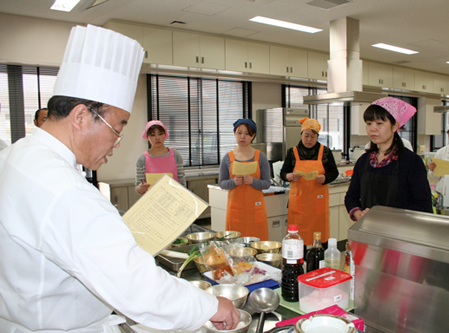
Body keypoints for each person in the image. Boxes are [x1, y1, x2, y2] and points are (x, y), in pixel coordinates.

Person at [0, 24, 239, 332]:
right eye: (117, 128)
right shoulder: (65, 190)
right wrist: (210, 305)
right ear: (81, 117)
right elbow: (135, 285)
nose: (118, 142)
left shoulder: (16, 155)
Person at [345, 97, 432, 222]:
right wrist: (358, 213)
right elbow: (351, 196)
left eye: (379, 123)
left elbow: (423, 206)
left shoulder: (411, 162)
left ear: (395, 125)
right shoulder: (363, 161)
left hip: (400, 235)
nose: (372, 129)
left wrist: (384, 216)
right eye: (369, 123)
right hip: (368, 231)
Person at [280, 118, 339, 246]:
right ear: (301, 134)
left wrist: (325, 178)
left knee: (319, 238)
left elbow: (334, 173)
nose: (309, 139)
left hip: (318, 203)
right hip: (298, 204)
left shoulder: (325, 152)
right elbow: (283, 173)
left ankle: (319, 264)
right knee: (297, 238)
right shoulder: (293, 152)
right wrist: (290, 176)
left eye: (313, 136)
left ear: (317, 136)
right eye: (306, 135)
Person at [219, 119, 271, 240]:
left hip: (255, 209)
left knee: (258, 242)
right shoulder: (228, 157)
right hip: (236, 210)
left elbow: (267, 183)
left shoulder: (260, 156)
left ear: (253, 136)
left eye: (247, 133)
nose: (242, 136)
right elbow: (222, 183)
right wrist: (233, 182)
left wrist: (254, 182)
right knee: (235, 244)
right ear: (234, 134)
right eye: (239, 132)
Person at [136, 120, 186, 194]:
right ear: (147, 137)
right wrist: (140, 188)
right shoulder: (142, 159)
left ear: (165, 135)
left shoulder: (175, 155)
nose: (157, 138)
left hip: (175, 198)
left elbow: (182, 182)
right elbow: (138, 186)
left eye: (160, 134)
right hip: (153, 200)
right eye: (153, 135)